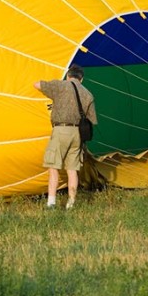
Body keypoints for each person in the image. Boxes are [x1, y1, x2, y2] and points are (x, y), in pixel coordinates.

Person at [34, 64, 97, 209]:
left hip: (61, 130)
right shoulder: (88, 94)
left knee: (53, 167)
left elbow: (37, 85)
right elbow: (92, 119)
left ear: (68, 76)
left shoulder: (60, 86)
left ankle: (51, 203)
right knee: (72, 170)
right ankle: (71, 204)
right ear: (82, 79)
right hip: (77, 134)